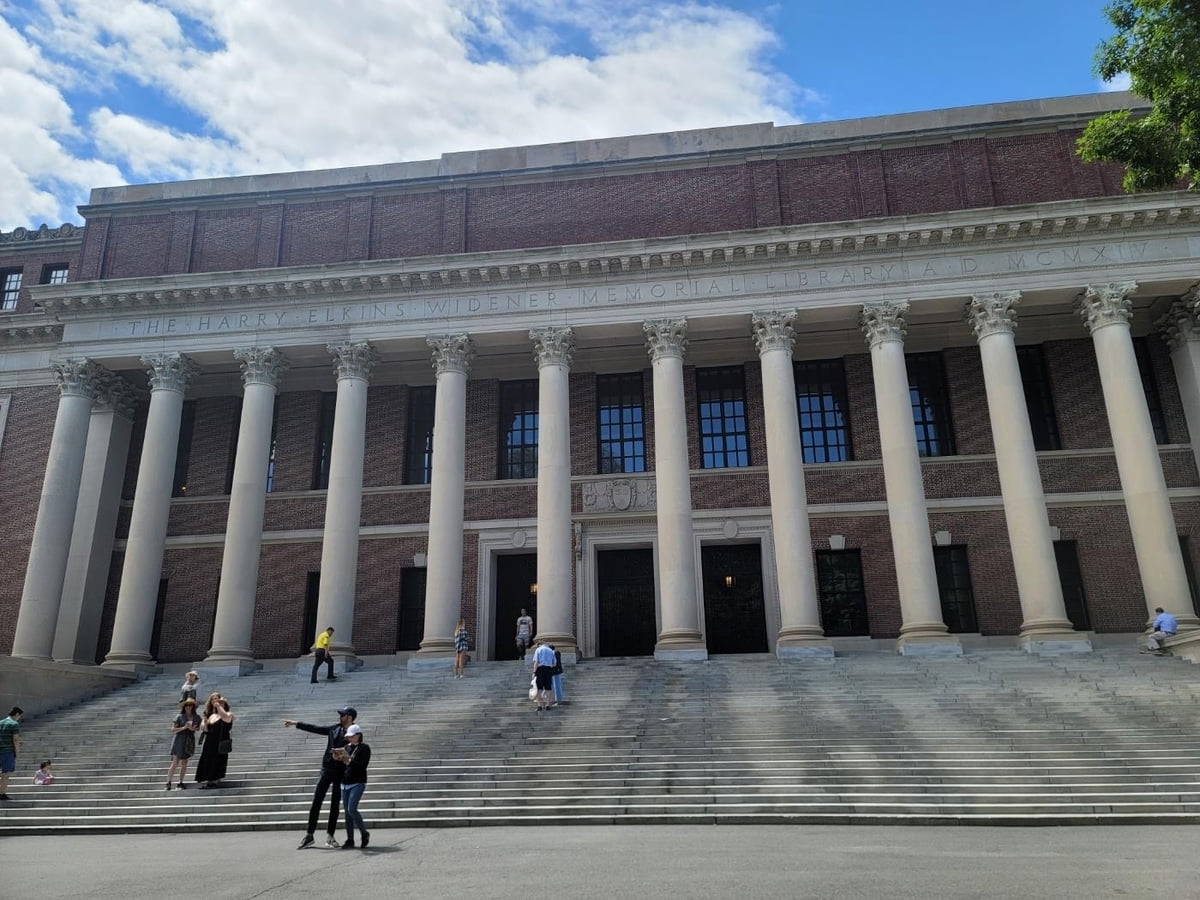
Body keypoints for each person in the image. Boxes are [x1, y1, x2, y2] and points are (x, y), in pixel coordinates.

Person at [285, 705, 356, 849]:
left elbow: (356, 748)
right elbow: (316, 728)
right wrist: (296, 724)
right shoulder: (334, 728)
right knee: (317, 800)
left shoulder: (355, 732)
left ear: (349, 717)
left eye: (342, 715)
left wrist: (344, 755)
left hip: (341, 771)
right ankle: (309, 835)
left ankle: (330, 836)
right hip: (327, 768)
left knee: (335, 804)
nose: (339, 717)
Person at [337, 723, 372, 849]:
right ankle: (350, 839)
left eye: (352, 736)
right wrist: (339, 758)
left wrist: (350, 761)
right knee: (347, 812)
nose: (350, 738)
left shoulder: (364, 748)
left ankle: (364, 833)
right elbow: (343, 765)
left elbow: (363, 766)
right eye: (349, 736)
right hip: (345, 782)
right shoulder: (346, 747)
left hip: (358, 782)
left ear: (358, 735)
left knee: (352, 808)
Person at [194, 693, 234, 789]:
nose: (217, 703)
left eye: (221, 702)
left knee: (218, 760)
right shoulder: (211, 716)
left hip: (221, 741)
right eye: (214, 701)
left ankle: (215, 780)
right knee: (208, 760)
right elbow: (204, 729)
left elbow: (225, 717)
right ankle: (209, 780)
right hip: (210, 741)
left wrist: (219, 706)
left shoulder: (229, 714)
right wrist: (204, 722)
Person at [166, 697, 202, 790]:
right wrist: (184, 727)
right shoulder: (179, 716)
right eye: (186, 705)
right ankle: (168, 782)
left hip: (189, 740)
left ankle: (181, 782)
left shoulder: (197, 717)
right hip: (179, 739)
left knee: (185, 762)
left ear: (193, 707)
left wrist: (193, 729)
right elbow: (173, 729)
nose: (188, 707)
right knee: (175, 762)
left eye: (190, 705)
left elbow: (198, 728)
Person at [0, 706, 23, 800]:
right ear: (17, 714)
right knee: (5, 773)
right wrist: (17, 751)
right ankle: (2, 793)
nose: (19, 718)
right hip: (7, 752)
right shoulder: (14, 724)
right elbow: (15, 739)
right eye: (19, 716)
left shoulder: (0, 722)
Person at [531, 640, 556, 712]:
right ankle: (548, 705)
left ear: (539, 645)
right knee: (548, 688)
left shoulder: (538, 650)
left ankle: (539, 706)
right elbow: (554, 664)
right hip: (548, 670)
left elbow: (536, 662)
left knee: (539, 688)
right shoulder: (551, 651)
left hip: (540, 669)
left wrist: (534, 672)